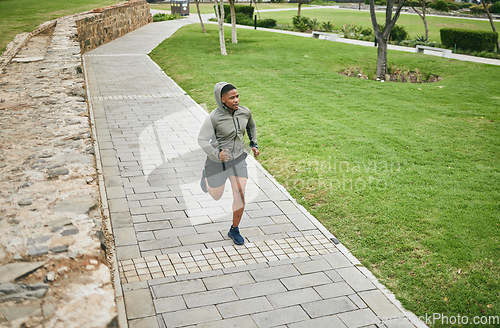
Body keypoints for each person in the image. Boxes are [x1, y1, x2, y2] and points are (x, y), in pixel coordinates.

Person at [198, 82, 259, 245]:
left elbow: (251, 126)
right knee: (216, 196)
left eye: (237, 96)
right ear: (222, 99)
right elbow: (202, 140)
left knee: (240, 193)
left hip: (238, 158)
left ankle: (234, 229)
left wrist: (254, 143)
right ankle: (206, 179)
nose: (236, 100)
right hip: (217, 161)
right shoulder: (213, 118)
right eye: (232, 98)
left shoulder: (245, 112)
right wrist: (216, 154)